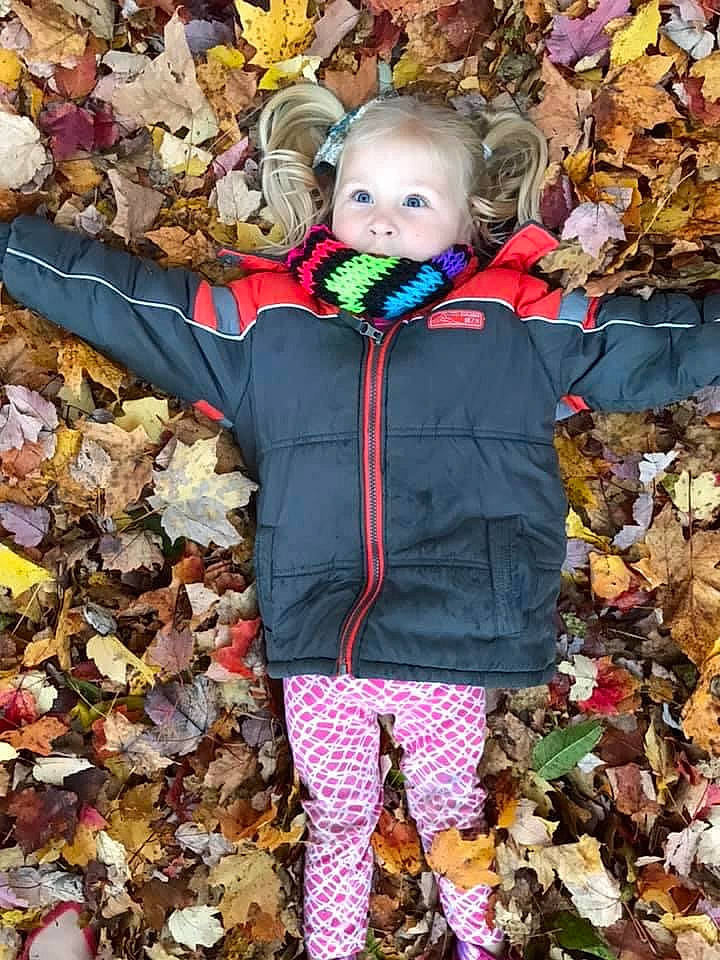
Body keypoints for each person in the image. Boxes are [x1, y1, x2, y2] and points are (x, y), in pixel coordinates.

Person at [0, 82, 717, 960]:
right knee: (339, 820)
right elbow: (131, 304)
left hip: (455, 633)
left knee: (453, 815)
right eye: (364, 195)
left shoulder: (518, 322)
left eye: (415, 200)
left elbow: (656, 339)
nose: (383, 219)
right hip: (323, 632)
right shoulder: (267, 324)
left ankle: (480, 946)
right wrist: (12, 247)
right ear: (331, 200)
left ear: (467, 219)